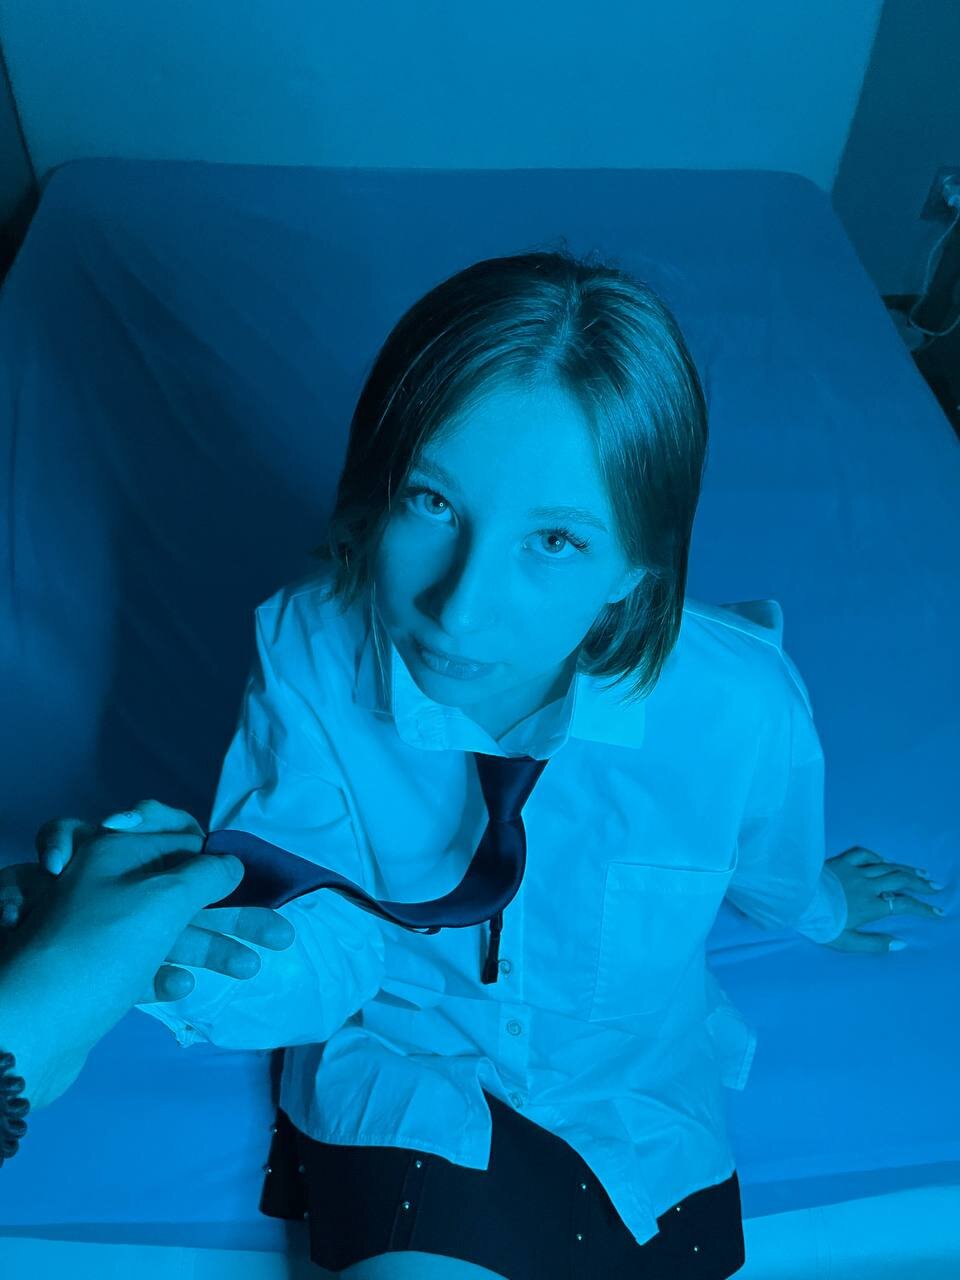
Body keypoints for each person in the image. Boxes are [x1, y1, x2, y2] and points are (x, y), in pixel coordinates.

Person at [1, 248, 944, 1280]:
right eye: (432, 503)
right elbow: (326, 939)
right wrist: (172, 951)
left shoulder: (739, 705)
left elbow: (766, 856)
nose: (459, 609)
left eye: (556, 541)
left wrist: (820, 903)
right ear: (377, 488)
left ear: (638, 567)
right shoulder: (310, 647)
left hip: (634, 1100)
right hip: (413, 1075)